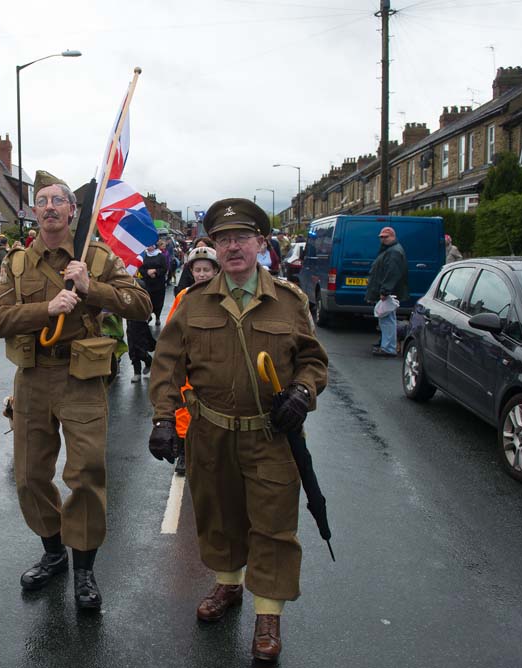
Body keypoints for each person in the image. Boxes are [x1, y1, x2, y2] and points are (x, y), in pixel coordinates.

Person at [147, 198, 328, 662]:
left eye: (241, 238)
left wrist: (303, 394)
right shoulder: (192, 303)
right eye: (223, 240)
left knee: (273, 525)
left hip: (270, 435)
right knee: (218, 516)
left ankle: (268, 613)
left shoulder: (288, 301)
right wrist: (164, 418)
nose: (232, 247)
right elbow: (166, 364)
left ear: (260, 244)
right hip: (210, 433)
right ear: (213, 247)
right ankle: (228, 585)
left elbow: (313, 361)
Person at [0, 171, 152, 611]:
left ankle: (84, 570)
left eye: (59, 199)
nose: (51, 206)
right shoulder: (16, 262)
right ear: (34, 211)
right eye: (42, 200)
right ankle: (54, 551)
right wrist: (47, 308)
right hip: (34, 378)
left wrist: (91, 287)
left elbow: (142, 304)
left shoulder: (94, 257)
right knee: (29, 476)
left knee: (86, 475)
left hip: (82, 380)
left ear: (73, 211)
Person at [163, 245, 221, 476]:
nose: (202, 274)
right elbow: (170, 332)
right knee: (185, 409)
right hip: (189, 363)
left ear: (216, 271)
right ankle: (184, 453)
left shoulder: (223, 297)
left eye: (207, 269)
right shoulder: (183, 297)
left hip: (216, 363)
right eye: (198, 269)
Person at [366, 226, 408, 357]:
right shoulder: (390, 250)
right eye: (381, 237)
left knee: (387, 320)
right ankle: (386, 344)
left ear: (393, 237)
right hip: (388, 291)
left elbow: (392, 273)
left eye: (386, 237)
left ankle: (388, 348)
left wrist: (385, 291)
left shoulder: (394, 252)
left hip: (389, 293)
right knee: (386, 319)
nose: (383, 239)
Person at [140, 240, 170, 327]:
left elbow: (164, 268)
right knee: (148, 300)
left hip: (158, 283)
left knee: (158, 301)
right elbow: (141, 268)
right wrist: (147, 272)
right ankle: (148, 316)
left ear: (154, 246)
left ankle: (157, 317)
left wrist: (155, 271)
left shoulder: (161, 256)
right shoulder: (144, 256)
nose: (148, 247)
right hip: (147, 283)